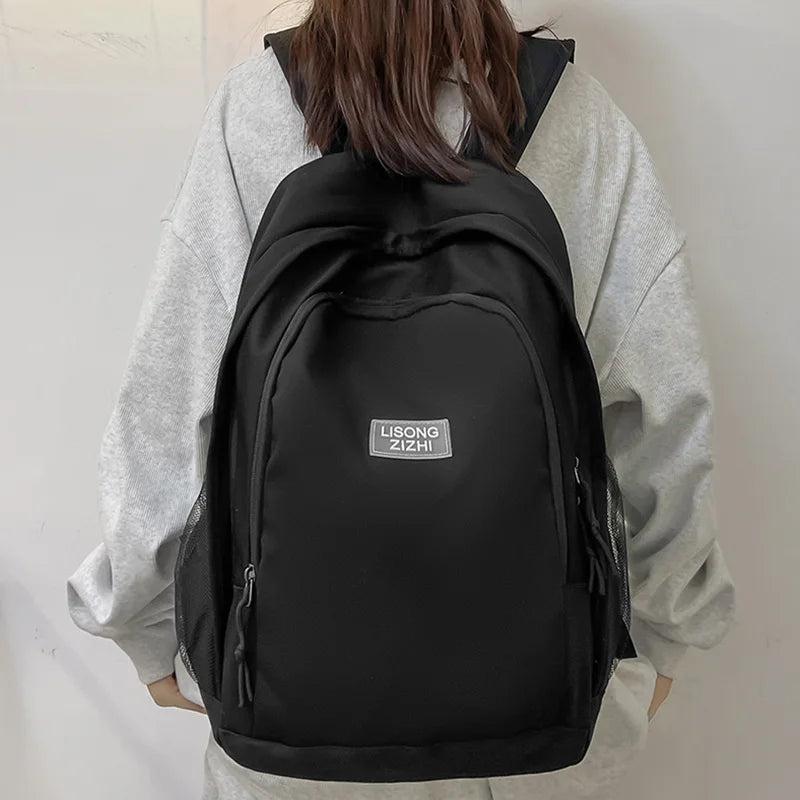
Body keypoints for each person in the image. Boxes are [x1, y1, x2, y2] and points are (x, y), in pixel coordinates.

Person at [67, 1, 735, 798]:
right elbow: (663, 414)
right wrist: (669, 630)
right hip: (538, 728)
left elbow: (169, 407)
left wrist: (142, 623)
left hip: (292, 721)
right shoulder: (580, 119)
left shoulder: (255, 110)